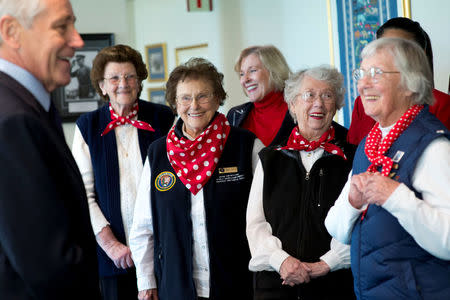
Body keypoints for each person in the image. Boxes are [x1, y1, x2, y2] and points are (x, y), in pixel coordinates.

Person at [130, 58, 264, 300]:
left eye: (203, 96)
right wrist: (145, 281)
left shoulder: (246, 145)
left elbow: (266, 218)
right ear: (174, 102)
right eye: (185, 98)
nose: (194, 105)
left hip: (237, 284)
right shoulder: (159, 153)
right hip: (176, 286)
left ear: (217, 98)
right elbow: (143, 226)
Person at [325, 38, 450, 299]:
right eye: (361, 73)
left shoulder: (433, 145)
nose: (363, 84)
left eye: (376, 73)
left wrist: (395, 197)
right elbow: (335, 228)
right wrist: (352, 202)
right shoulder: (369, 145)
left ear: (409, 83)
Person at [0, 0, 101, 299]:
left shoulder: (28, 105)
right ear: (12, 32)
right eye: (61, 26)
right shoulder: (12, 120)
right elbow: (48, 266)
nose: (77, 40)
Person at [72, 44, 175, 300]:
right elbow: (83, 196)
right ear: (102, 86)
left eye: (130, 76)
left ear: (139, 81)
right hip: (112, 259)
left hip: (162, 253)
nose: (123, 83)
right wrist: (111, 245)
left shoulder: (163, 118)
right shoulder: (87, 126)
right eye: (114, 78)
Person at [246, 66, 356, 300]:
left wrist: (327, 263)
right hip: (275, 288)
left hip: (334, 287)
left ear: (336, 105)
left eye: (327, 96)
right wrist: (282, 261)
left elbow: (359, 224)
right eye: (309, 95)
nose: (318, 103)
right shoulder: (270, 157)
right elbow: (255, 225)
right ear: (293, 104)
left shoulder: (353, 158)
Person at [347, 17, 450, 145]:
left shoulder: (442, 104)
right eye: (383, 49)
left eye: (399, 50)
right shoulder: (363, 105)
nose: (390, 56)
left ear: (420, 55)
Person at [227, 45, 295, 146]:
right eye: (242, 74)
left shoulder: (298, 110)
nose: (245, 79)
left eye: (252, 71)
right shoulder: (234, 115)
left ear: (274, 71)